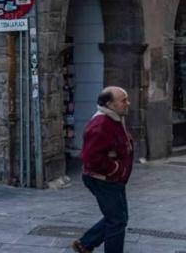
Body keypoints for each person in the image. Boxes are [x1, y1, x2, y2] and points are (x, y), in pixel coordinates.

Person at [73, 86, 134, 253]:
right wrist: (116, 169)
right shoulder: (100, 125)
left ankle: (85, 244)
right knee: (117, 221)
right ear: (110, 104)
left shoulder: (115, 118)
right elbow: (90, 158)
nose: (128, 103)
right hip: (103, 180)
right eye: (123, 101)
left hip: (113, 180)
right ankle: (87, 244)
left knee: (118, 218)